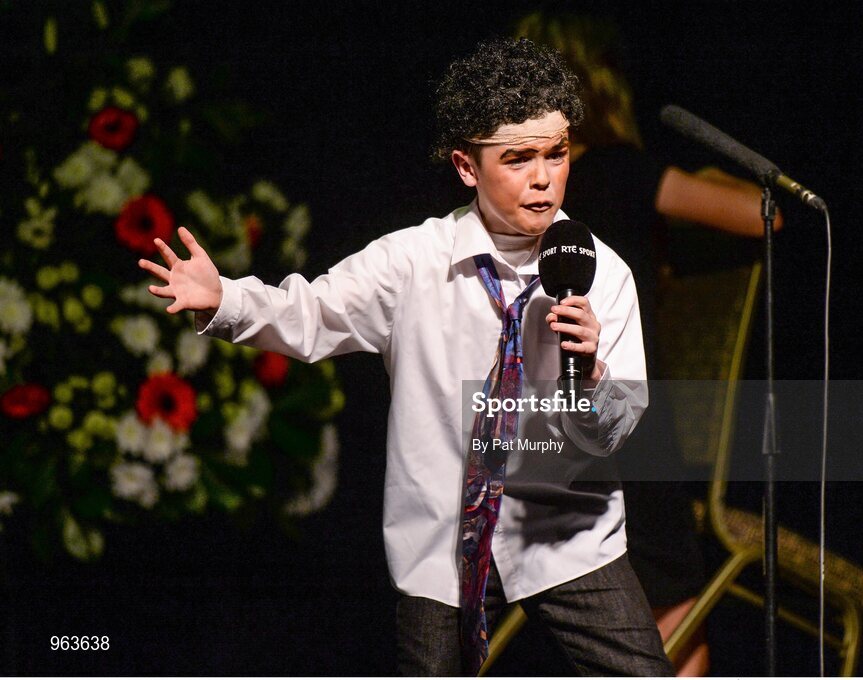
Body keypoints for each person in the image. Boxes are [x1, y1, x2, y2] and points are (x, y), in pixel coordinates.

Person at [138, 37, 674, 676]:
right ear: (467, 167)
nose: (543, 177)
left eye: (556, 154)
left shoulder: (601, 273)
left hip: (563, 531)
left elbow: (614, 429)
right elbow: (313, 313)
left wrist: (587, 373)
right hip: (442, 538)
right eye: (518, 158)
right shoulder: (414, 261)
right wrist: (224, 297)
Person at [514, 11, 780, 676]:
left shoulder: (519, 195)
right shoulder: (621, 173)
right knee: (677, 636)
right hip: (620, 439)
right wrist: (702, 177)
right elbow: (764, 213)